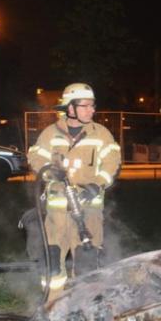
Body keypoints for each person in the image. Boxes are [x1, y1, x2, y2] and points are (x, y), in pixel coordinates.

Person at [28, 83, 121, 302]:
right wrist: (50, 172)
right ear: (70, 109)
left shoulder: (101, 134)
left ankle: (84, 310)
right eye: (85, 106)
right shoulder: (50, 134)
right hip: (56, 216)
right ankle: (52, 308)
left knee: (86, 265)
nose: (92, 110)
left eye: (92, 105)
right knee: (52, 264)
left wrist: (96, 184)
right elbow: (36, 157)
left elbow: (112, 163)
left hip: (88, 214)